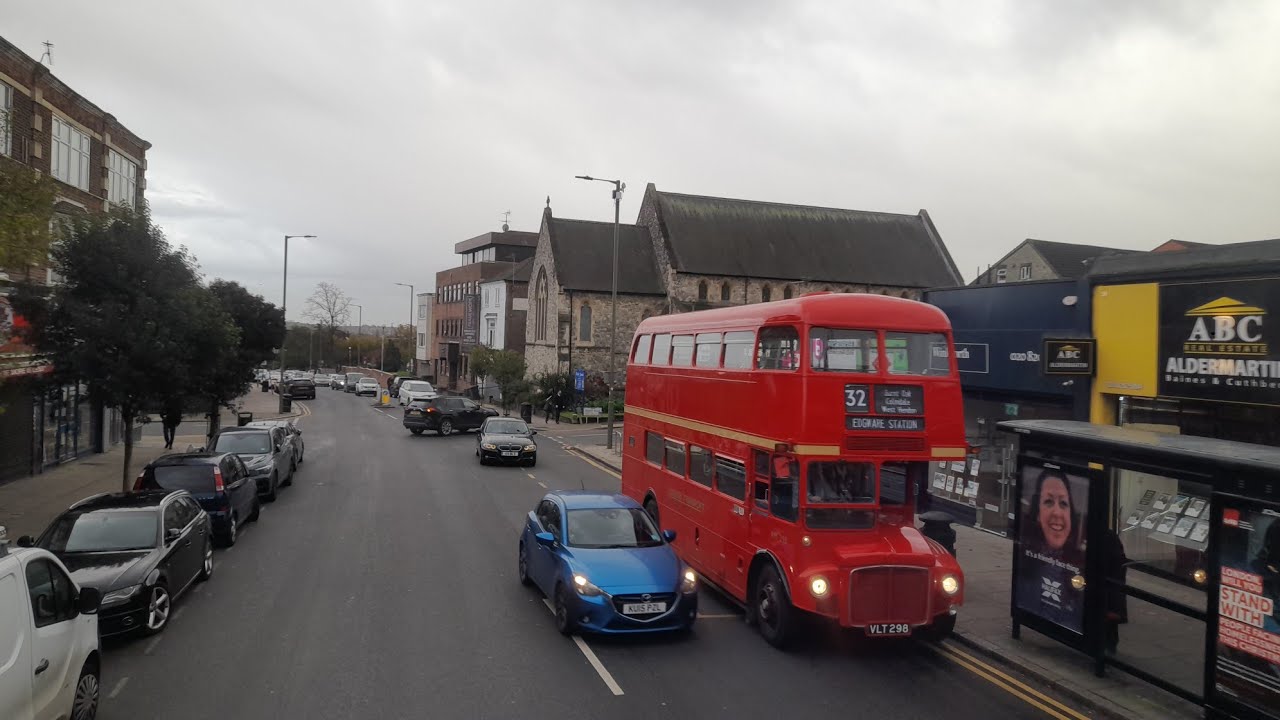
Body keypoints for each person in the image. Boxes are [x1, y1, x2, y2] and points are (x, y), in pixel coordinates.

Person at [1016, 467, 1086, 631]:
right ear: (1038, 513)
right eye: (1048, 502)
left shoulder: (1081, 565)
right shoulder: (1025, 561)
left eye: (1063, 503)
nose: (1057, 512)